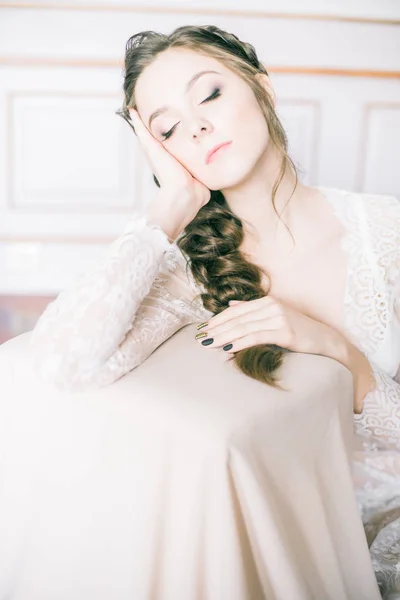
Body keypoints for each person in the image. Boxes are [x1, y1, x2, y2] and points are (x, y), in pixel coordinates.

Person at [28, 25, 400, 596]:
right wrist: (173, 201)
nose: (196, 125)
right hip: (288, 553)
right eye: (168, 128)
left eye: (209, 95)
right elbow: (65, 361)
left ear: (263, 90)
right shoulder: (189, 272)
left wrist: (338, 350)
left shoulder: (388, 232)